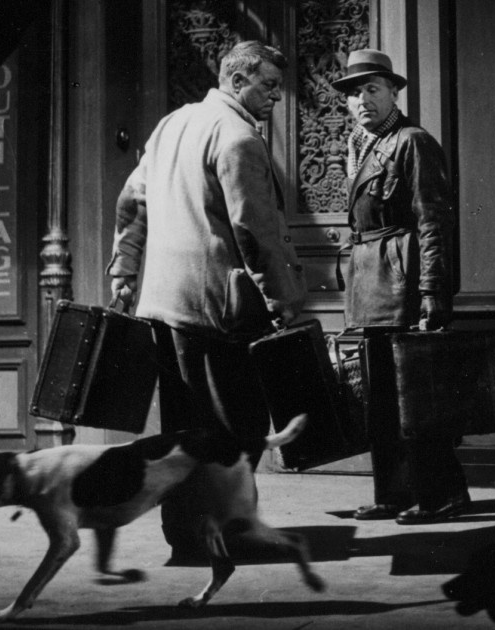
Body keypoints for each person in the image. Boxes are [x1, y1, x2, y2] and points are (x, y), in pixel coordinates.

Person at [107, 40, 307, 561]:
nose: (276, 97)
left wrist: (124, 270)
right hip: (219, 310)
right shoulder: (238, 136)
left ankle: (187, 537)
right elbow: (255, 231)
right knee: (235, 429)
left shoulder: (171, 124)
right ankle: (229, 534)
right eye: (269, 86)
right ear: (237, 82)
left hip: (163, 307)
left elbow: (132, 202)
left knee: (184, 431)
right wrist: (284, 302)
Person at [333, 49, 469, 525]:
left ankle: (443, 495)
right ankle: (393, 495)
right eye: (354, 93)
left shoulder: (412, 142)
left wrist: (433, 292)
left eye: (372, 89)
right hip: (370, 282)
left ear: (393, 92)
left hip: (403, 280)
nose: (362, 100)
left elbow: (433, 222)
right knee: (382, 400)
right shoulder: (361, 145)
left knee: (416, 397)